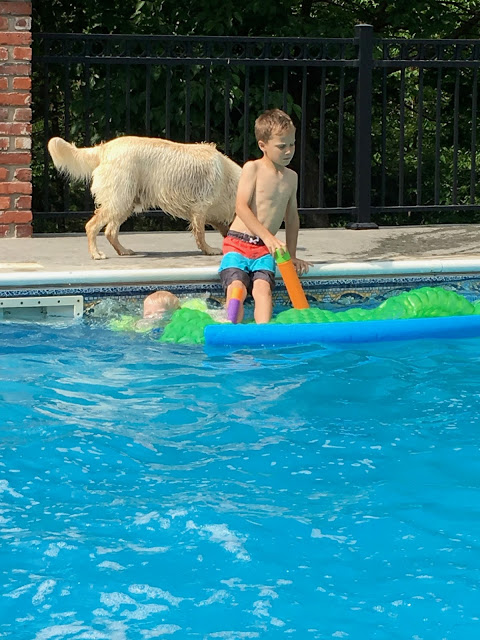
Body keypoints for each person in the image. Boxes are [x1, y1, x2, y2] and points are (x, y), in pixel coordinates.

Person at [219, 108, 312, 324]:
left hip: (263, 250)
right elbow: (241, 207)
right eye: (282, 146)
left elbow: (292, 218)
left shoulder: (291, 178)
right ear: (263, 145)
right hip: (238, 243)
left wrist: (292, 253)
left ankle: (263, 336)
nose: (289, 151)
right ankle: (232, 328)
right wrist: (269, 237)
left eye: (292, 144)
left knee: (263, 290)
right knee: (237, 287)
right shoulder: (253, 168)